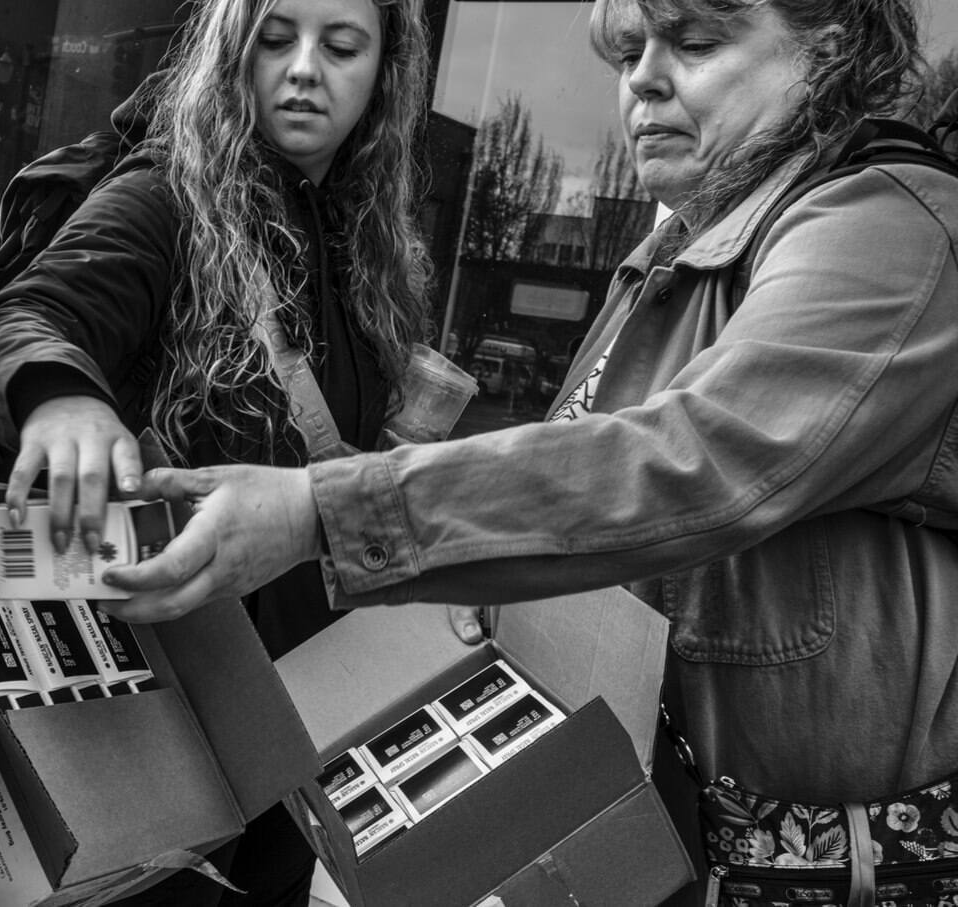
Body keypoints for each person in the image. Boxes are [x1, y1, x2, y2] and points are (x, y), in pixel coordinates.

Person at [102, 1, 958, 905]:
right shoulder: (684, 238)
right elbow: (580, 471)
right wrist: (485, 581)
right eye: (627, 52)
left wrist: (323, 511)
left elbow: (699, 458)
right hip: (671, 835)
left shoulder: (889, 227)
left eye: (697, 43)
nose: (642, 80)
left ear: (832, 47)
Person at [0, 0, 434, 900]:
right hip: (159, 705)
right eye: (276, 37)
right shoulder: (163, 195)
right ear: (233, 50)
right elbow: (21, 320)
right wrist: (58, 397)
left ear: (384, 76)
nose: (303, 69)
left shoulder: (374, 249)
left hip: (300, 715)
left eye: (340, 46)